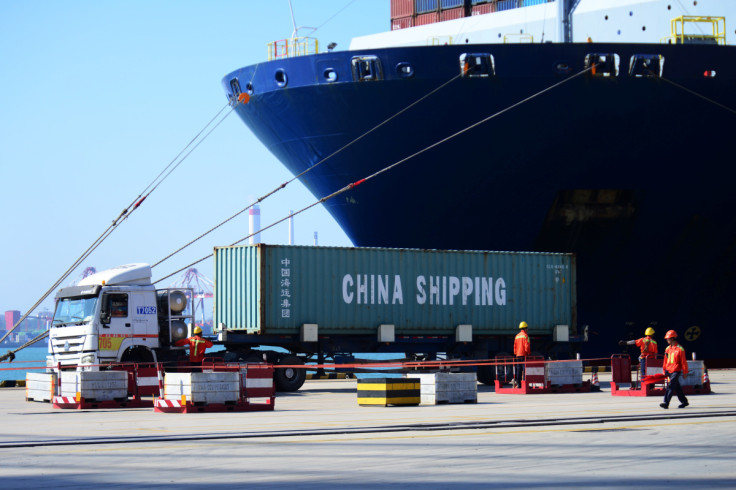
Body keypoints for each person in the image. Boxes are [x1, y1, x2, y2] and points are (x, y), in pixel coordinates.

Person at [660, 330, 689, 409]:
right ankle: (684, 401)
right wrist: (664, 370)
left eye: (668, 338)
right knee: (677, 387)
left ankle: (666, 402)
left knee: (671, 385)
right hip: (669, 370)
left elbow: (683, 362)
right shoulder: (667, 349)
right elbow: (665, 360)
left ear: (672, 338)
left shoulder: (680, 349)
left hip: (676, 371)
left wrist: (685, 372)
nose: (667, 340)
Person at [512, 321, 531, 388]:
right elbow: (527, 346)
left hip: (518, 355)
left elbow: (515, 346)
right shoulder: (526, 336)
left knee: (519, 370)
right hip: (524, 355)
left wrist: (516, 353)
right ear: (525, 328)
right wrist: (528, 353)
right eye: (527, 328)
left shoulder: (517, 336)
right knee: (525, 370)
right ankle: (525, 384)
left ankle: (519, 385)